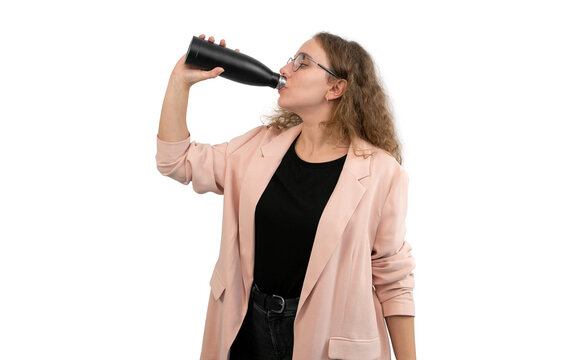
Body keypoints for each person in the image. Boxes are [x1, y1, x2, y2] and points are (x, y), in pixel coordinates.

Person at [156, 32, 416, 360]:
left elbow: (394, 279)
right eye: (290, 61)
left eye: (301, 63)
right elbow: (174, 160)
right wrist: (180, 81)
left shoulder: (383, 173)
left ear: (336, 88)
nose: (285, 68)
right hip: (248, 328)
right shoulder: (258, 149)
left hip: (327, 339)